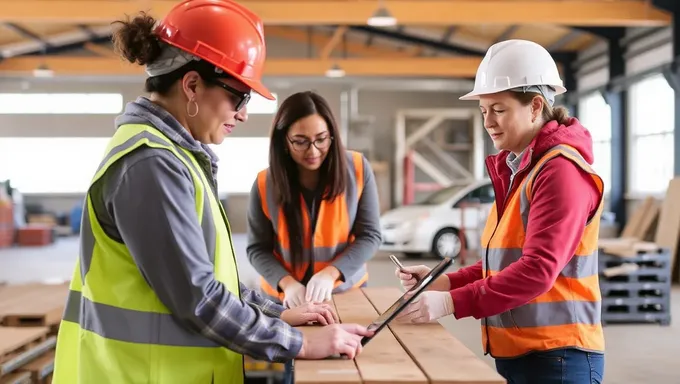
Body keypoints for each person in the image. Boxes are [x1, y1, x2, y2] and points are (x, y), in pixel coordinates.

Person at [51, 2, 372, 383]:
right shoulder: (151, 165)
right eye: (239, 96)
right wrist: (299, 343)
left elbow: (209, 278)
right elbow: (198, 298)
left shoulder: (177, 158)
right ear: (191, 85)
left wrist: (276, 311)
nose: (243, 113)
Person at [394, 39, 605, 384]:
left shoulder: (560, 171)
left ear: (536, 106)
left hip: (559, 358)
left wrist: (451, 303)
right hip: (527, 352)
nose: (488, 122)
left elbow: (537, 270)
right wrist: (441, 282)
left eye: (499, 109)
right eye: (483, 111)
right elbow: (505, 261)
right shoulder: (522, 168)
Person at [246, 91, 382, 309]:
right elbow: (257, 249)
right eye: (300, 142)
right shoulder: (264, 183)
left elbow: (370, 235)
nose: (313, 150)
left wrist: (331, 274)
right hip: (283, 300)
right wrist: (287, 283)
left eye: (321, 139)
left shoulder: (357, 168)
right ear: (284, 141)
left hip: (343, 294)